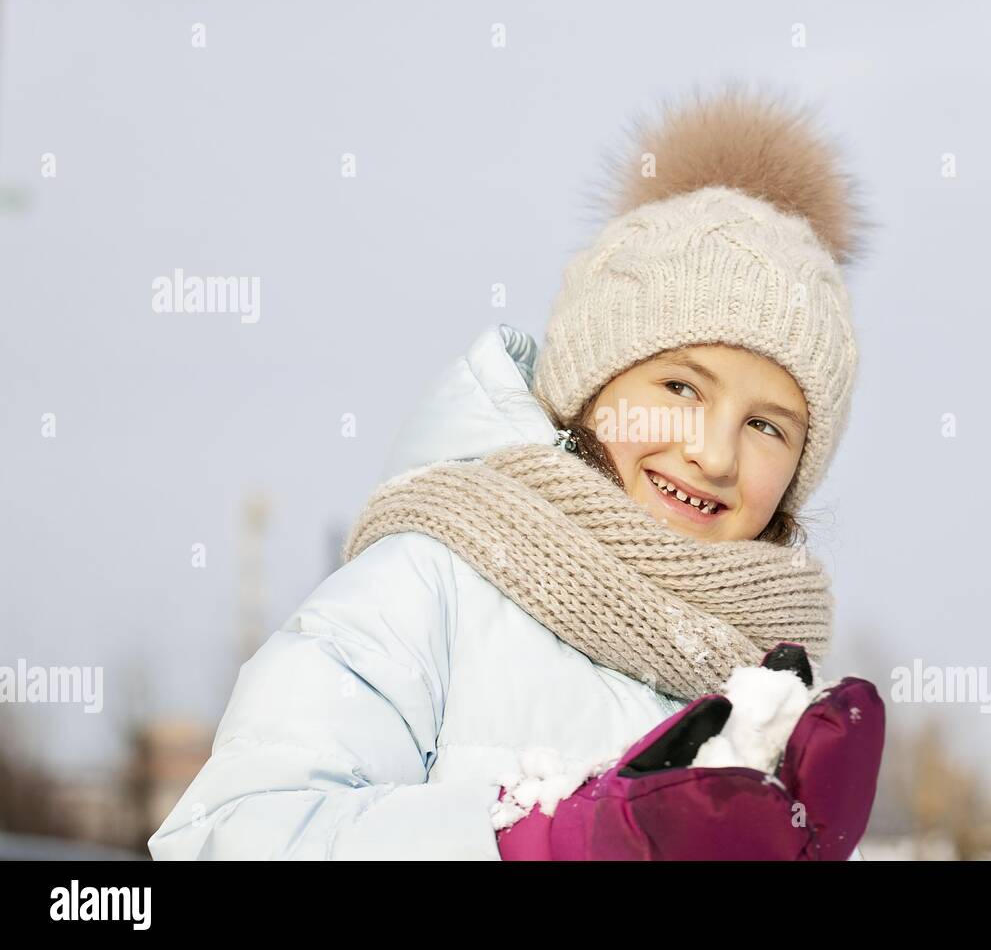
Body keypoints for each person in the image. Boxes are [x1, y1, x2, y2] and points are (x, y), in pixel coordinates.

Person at [149, 82, 870, 859]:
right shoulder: (432, 586)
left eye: (766, 426)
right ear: (590, 388)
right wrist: (535, 843)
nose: (715, 454)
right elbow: (225, 834)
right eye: (680, 387)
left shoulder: (768, 686)